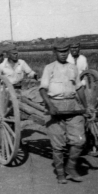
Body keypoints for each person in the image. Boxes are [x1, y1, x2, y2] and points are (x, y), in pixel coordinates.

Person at [39, 42, 88, 184]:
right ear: (55, 52)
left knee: (80, 140)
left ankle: (70, 167)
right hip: (55, 106)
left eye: (66, 51)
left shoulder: (73, 68)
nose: (64, 54)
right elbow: (42, 89)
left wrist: (86, 107)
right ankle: (60, 172)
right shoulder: (49, 68)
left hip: (72, 105)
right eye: (60, 51)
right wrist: (50, 106)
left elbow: (79, 88)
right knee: (58, 144)